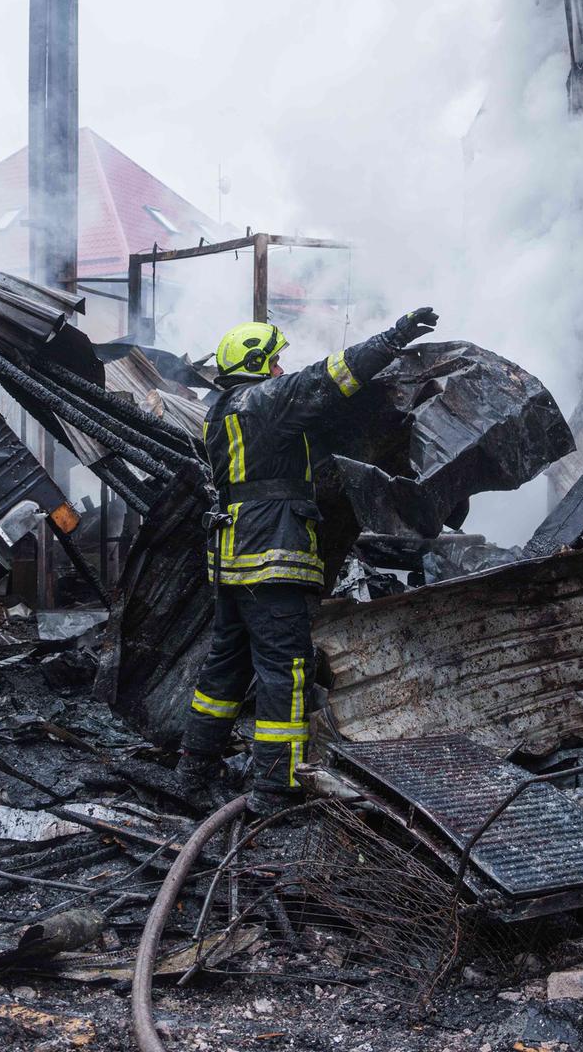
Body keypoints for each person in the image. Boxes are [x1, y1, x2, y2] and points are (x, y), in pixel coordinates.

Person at [178, 307, 440, 814]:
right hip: (272, 555)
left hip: (233, 559)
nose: (281, 369)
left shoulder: (220, 413)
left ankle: (193, 773)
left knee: (225, 671)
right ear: (257, 364)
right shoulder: (269, 399)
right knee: (285, 672)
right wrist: (396, 335)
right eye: (275, 361)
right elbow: (334, 374)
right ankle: (274, 790)